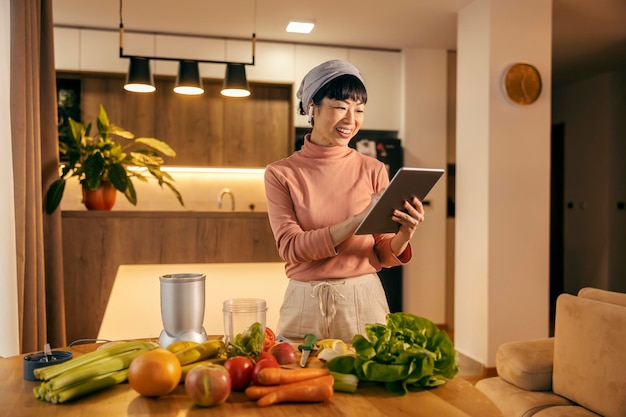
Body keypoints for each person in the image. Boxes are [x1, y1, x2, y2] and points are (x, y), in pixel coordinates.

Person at [264, 59, 425, 342]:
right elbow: (291, 247)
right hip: (305, 301)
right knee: (298, 380)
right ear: (312, 106)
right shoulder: (281, 173)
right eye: (340, 107)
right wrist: (357, 220)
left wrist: (406, 233)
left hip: (363, 299)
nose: (351, 120)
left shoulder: (373, 169)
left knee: (367, 385)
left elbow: (383, 252)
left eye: (359, 110)